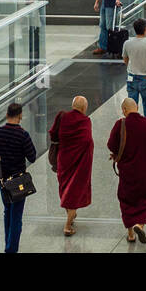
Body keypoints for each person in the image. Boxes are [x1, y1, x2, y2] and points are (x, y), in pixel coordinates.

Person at [107, 97, 146, 244]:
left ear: (124, 110)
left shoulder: (121, 124)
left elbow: (111, 145)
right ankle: (140, 225)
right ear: (136, 107)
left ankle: (131, 234)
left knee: (127, 201)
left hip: (128, 173)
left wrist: (117, 154)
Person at [0, 100, 37, 253]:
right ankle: (11, 249)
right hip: (18, 180)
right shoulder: (23, 135)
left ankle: (7, 244)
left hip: (2, 179)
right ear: (20, 116)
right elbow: (32, 157)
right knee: (16, 215)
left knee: (7, 210)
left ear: (7, 114)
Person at [49, 96, 95, 236]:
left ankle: (70, 215)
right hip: (80, 163)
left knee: (65, 190)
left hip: (64, 161)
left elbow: (53, 134)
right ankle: (67, 226)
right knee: (75, 193)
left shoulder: (63, 118)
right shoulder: (85, 121)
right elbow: (87, 141)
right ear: (83, 108)